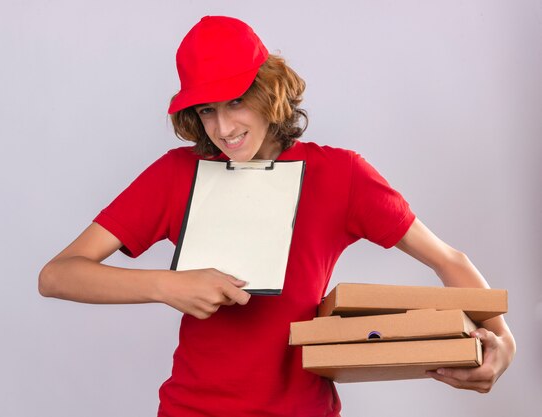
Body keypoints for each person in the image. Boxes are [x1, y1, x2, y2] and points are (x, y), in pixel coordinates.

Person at [38, 15, 516, 417]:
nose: (222, 128)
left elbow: (449, 260)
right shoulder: (176, 175)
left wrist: (504, 345)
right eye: (206, 110)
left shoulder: (340, 174)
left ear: (270, 91)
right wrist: (167, 286)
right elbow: (58, 275)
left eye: (236, 102)